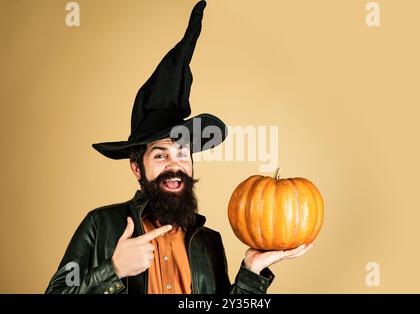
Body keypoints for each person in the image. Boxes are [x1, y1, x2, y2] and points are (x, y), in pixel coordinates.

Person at [45, 1, 313, 294]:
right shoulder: (101, 225)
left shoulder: (209, 241)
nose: (175, 166)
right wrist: (114, 270)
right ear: (137, 167)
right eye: (160, 155)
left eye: (182, 153)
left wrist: (251, 271)